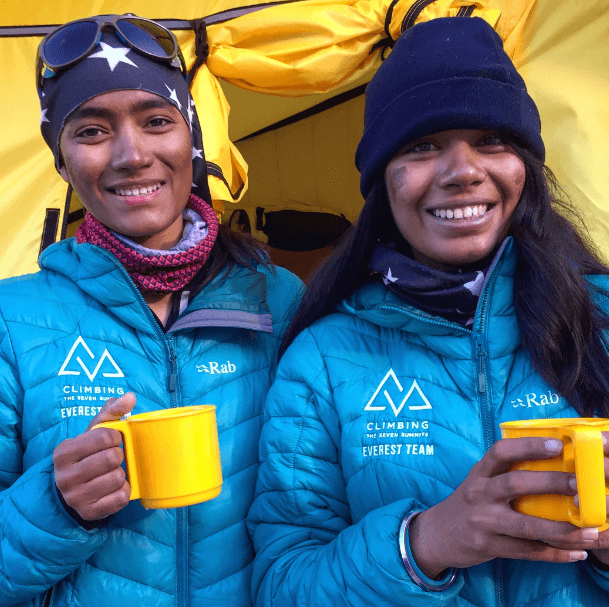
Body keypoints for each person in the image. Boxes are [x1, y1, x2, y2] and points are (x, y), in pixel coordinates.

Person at [248, 17, 609, 606]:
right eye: (422, 146)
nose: (463, 170)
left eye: (491, 141)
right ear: (382, 181)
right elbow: (280, 586)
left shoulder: (601, 317)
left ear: (527, 168)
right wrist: (426, 542)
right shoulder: (321, 359)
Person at [0, 14, 302, 607]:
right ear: (61, 163)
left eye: (157, 121)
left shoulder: (280, 299)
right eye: (91, 131)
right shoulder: (12, 318)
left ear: (191, 141)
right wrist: (56, 505)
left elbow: (320, 515)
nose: (132, 154)